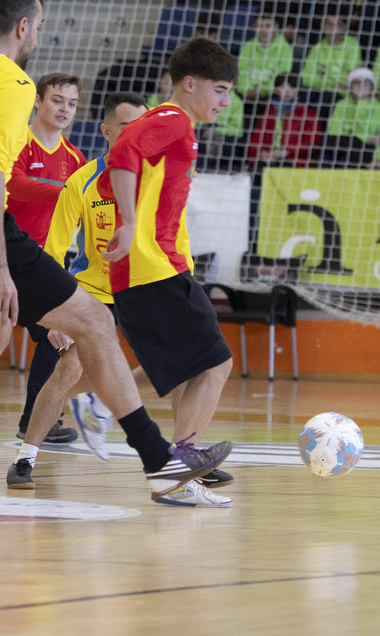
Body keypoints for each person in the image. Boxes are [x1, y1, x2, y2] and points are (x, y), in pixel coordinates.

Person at [0, 0, 232, 506]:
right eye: (38, 26)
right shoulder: (13, 81)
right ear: (23, 27)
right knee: (94, 321)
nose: (38, 35)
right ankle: (159, 464)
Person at [96, 37, 238, 507]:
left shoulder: (176, 124)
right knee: (216, 364)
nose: (225, 101)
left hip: (152, 268)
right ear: (189, 84)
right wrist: (132, 222)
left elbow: (112, 175)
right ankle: (177, 463)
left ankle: (176, 471)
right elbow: (120, 155)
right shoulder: (172, 119)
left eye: (229, 92)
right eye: (219, 90)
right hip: (152, 267)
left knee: (190, 371)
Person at [7, 92, 149, 489]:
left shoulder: (155, 177)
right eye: (125, 125)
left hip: (144, 286)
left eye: (142, 124)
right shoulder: (82, 180)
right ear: (106, 131)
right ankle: (25, 459)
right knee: (67, 369)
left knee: (178, 367)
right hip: (93, 290)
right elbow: (52, 250)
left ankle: (184, 454)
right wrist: (53, 311)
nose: (135, 133)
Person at [4, 73, 87, 443]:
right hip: (3, 256)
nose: (64, 109)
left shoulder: (75, 158)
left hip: (48, 264)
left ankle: (36, 420)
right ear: (37, 102)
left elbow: (85, 204)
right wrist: (64, 192)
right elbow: (12, 184)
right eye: (57, 100)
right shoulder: (18, 140)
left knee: (58, 338)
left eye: (71, 103)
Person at [321, 67, 380, 167]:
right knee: (323, 155)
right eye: (357, 83)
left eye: (366, 83)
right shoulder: (342, 104)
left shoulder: (378, 107)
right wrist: (362, 136)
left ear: (372, 86)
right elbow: (334, 132)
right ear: (351, 85)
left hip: (363, 149)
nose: (361, 86)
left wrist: (362, 104)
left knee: (348, 156)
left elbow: (370, 133)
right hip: (340, 145)